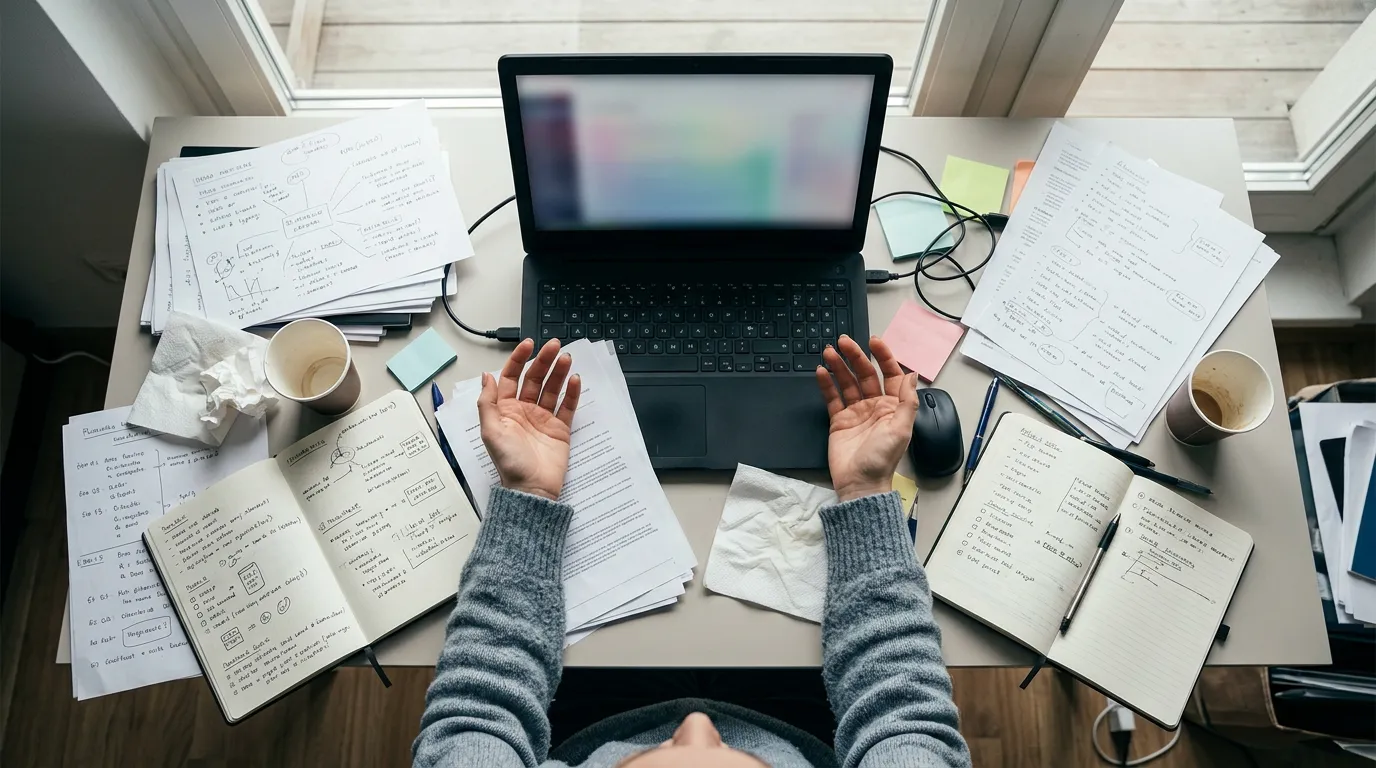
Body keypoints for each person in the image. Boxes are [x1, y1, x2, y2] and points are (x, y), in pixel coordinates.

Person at [413, 335, 971, 768]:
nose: (698, 720)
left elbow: (481, 708)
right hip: (802, 720)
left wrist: (528, 496)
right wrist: (866, 491)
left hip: (596, 718)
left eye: (667, 751)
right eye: (734, 756)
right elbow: (900, 706)